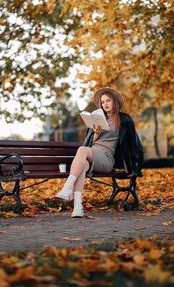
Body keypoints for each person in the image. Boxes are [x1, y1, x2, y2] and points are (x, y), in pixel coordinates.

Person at [55, 87, 144, 218]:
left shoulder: (125, 120)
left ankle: (67, 188)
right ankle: (78, 207)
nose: (105, 104)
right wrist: (96, 134)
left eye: (108, 100)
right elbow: (90, 144)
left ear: (115, 102)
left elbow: (134, 143)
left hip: (107, 158)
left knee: (81, 150)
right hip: (92, 154)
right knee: (83, 165)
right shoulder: (98, 118)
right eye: (103, 102)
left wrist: (137, 166)